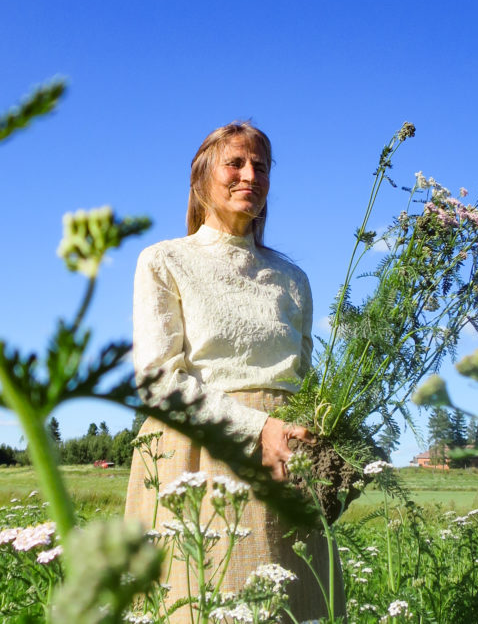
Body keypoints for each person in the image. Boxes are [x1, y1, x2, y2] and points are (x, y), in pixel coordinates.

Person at [124, 121, 345, 622]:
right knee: (203, 604)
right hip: (200, 454)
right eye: (236, 163)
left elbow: (304, 381)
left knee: (298, 606)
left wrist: (327, 447)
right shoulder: (165, 260)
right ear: (202, 178)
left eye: (261, 167)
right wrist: (256, 427)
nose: (251, 176)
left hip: (285, 459)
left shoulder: (292, 278)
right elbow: (158, 382)